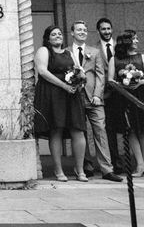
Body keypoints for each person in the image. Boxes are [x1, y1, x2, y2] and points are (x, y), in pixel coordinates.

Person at [33, 25, 88, 182]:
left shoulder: (69, 52)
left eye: (59, 34)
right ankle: (58, 170)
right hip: (53, 94)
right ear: (48, 38)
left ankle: (80, 170)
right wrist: (64, 85)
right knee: (56, 130)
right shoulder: (44, 51)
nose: (57, 36)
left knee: (78, 129)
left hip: (71, 95)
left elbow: (79, 70)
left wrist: (80, 81)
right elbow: (43, 71)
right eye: (53, 34)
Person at [69, 21, 122, 182]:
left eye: (85, 30)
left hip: (94, 98)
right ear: (72, 33)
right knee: (79, 132)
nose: (82, 32)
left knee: (101, 131)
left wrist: (98, 94)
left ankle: (107, 169)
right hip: (74, 97)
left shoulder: (95, 51)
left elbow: (101, 75)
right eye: (79, 30)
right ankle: (86, 166)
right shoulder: (66, 52)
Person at [106, 31, 144, 176]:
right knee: (130, 130)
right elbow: (110, 79)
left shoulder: (142, 57)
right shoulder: (114, 59)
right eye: (134, 39)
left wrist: (138, 81)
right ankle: (140, 163)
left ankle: (142, 163)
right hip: (123, 97)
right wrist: (122, 85)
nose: (137, 41)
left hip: (141, 95)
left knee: (143, 129)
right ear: (126, 41)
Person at [95, 17, 121, 173]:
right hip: (106, 94)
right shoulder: (95, 49)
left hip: (124, 93)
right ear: (98, 31)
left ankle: (142, 162)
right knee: (109, 129)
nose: (107, 31)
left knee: (129, 127)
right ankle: (115, 162)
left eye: (108, 28)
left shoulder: (120, 46)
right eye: (103, 29)